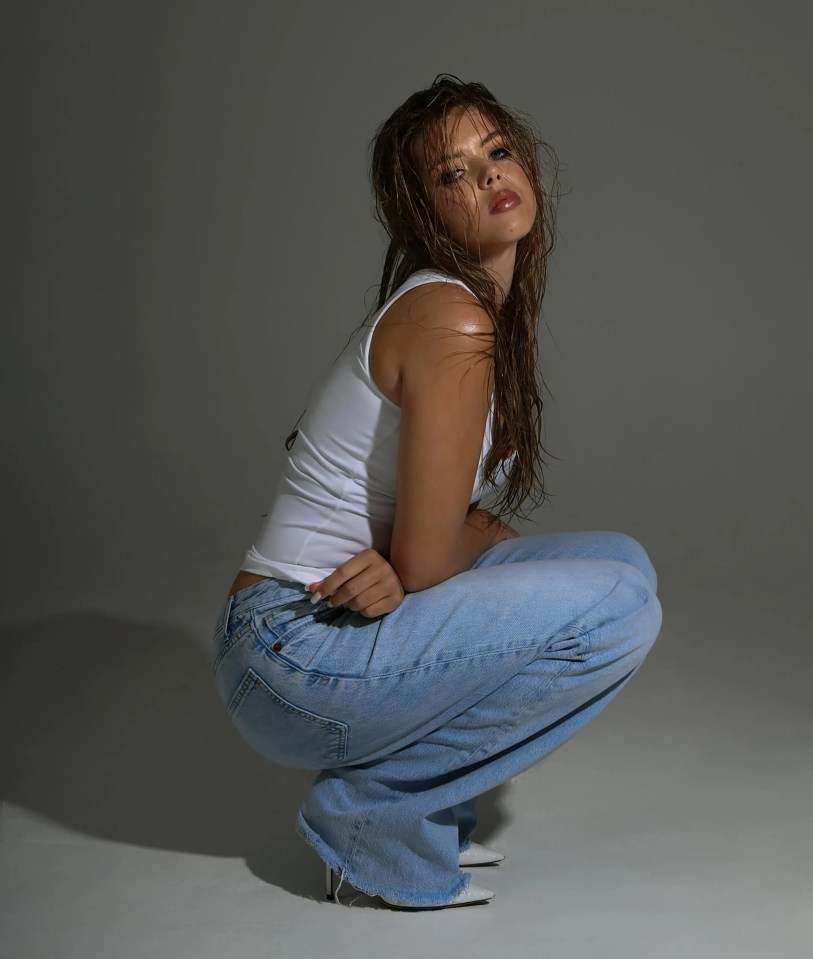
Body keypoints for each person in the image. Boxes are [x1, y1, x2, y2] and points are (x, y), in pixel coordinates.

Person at [211, 74, 663, 910]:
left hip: (324, 625)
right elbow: (428, 553)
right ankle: (371, 817)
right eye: (452, 173)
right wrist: (427, 552)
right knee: (618, 607)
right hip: (290, 650)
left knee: (622, 563)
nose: (489, 177)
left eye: (496, 152)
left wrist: (415, 554)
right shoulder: (448, 317)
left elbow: (426, 548)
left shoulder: (474, 310)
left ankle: (412, 802)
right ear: (421, 212)